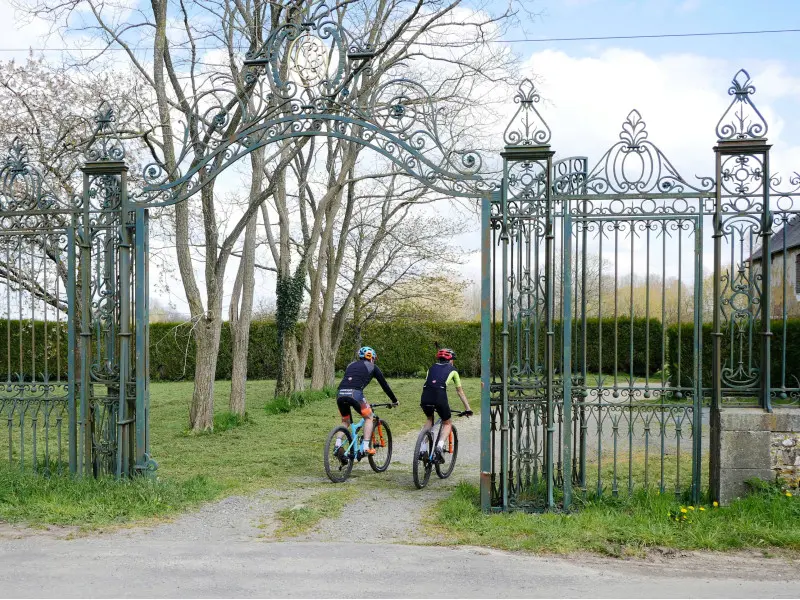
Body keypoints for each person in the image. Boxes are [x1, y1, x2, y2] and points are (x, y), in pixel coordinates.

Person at [335, 346, 399, 458]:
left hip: (340, 393)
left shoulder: (350, 365)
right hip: (355, 394)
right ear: (372, 357)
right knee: (369, 417)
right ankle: (365, 447)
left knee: (345, 421)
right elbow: (385, 385)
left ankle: (338, 444)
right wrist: (394, 400)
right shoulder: (373, 367)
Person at [419, 348, 472, 463]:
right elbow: (460, 391)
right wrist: (468, 409)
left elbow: (430, 383)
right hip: (439, 396)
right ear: (451, 360)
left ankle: (422, 447)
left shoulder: (431, 368)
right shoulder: (453, 370)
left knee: (429, 419)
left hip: (425, 396)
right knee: (447, 423)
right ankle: (439, 446)